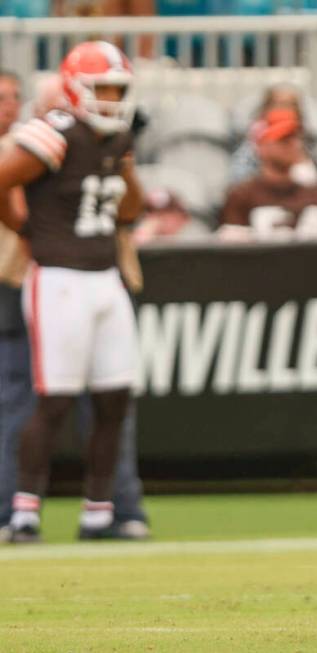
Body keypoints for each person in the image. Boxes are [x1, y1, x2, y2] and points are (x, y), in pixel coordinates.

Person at [0, 41, 144, 542]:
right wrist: (20, 224)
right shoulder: (55, 131)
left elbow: (129, 211)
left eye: (116, 88)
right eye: (101, 87)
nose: (109, 97)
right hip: (58, 277)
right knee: (54, 400)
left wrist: (125, 167)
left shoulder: (117, 135)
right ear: (74, 88)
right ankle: (24, 512)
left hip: (106, 276)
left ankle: (99, 511)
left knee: (114, 399)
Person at [220, 107, 317, 241]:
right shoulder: (241, 197)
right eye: (283, 139)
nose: (294, 144)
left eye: (296, 138)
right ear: (261, 146)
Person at [229, 83, 317, 186]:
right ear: (266, 108)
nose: (285, 109)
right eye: (279, 104)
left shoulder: (307, 139)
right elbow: (238, 178)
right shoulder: (254, 141)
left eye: (291, 104)